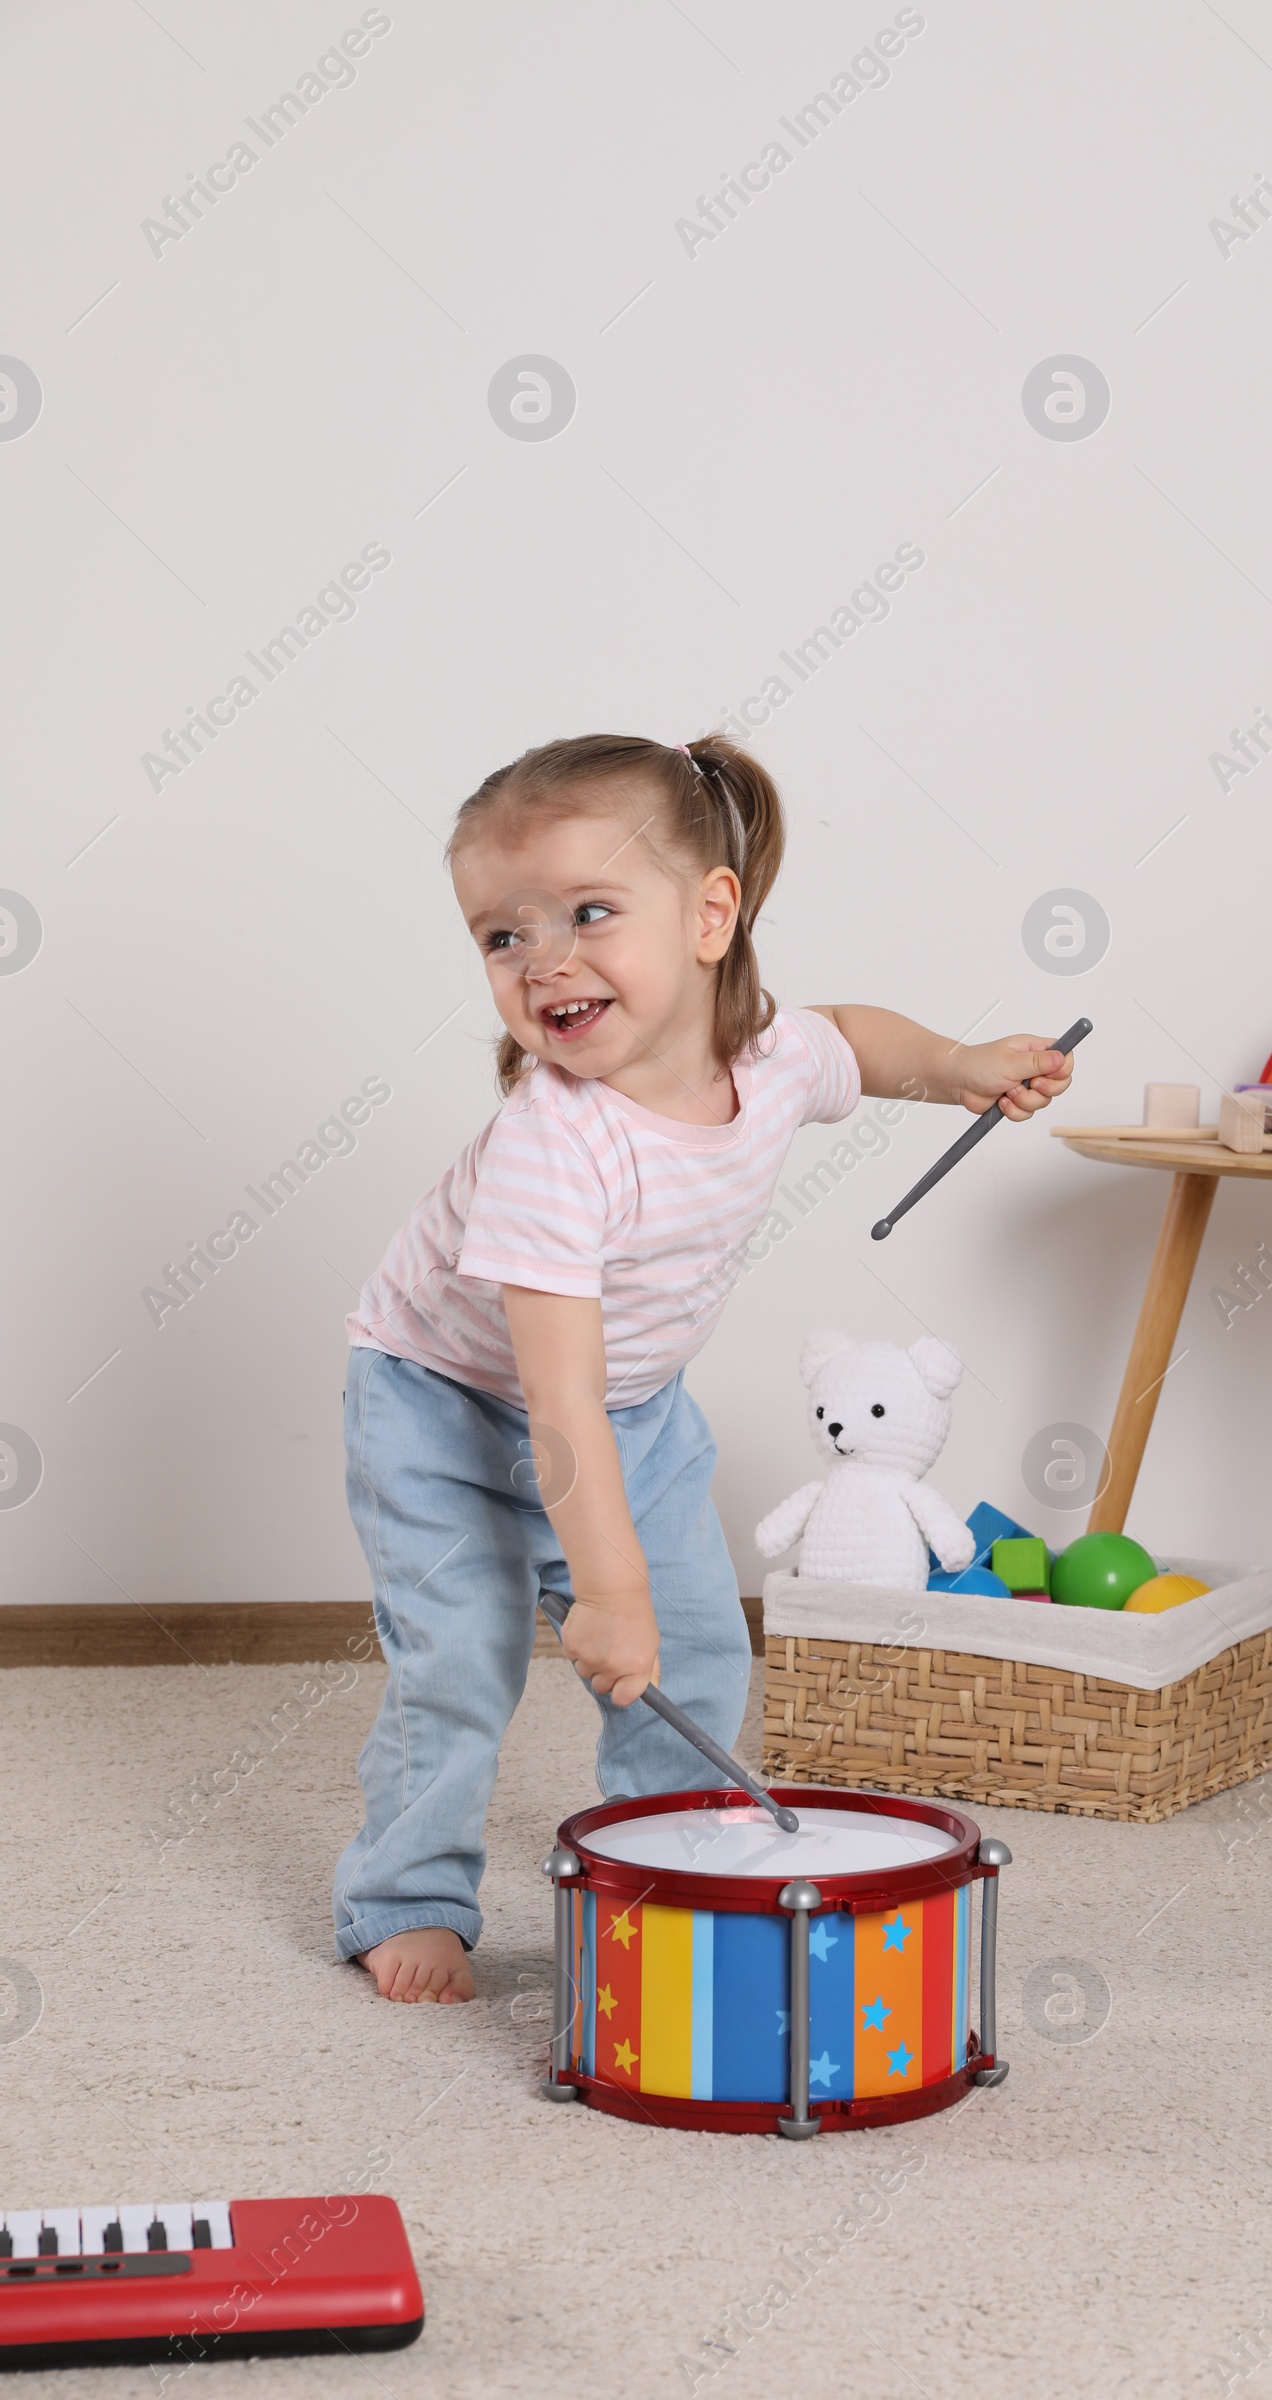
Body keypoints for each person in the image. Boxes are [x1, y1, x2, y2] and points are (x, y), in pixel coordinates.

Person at [335, 733, 1074, 2001]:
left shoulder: (768, 1051)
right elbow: (549, 1396)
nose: (544, 961)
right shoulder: (551, 1145)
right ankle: (405, 1897)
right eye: (501, 938)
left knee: (687, 1645)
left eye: (589, 912)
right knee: (459, 1654)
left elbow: (854, 1038)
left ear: (709, 915)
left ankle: (668, 1859)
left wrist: (954, 1066)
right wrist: (598, 1587)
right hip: (444, 1403)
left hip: (630, 1408)